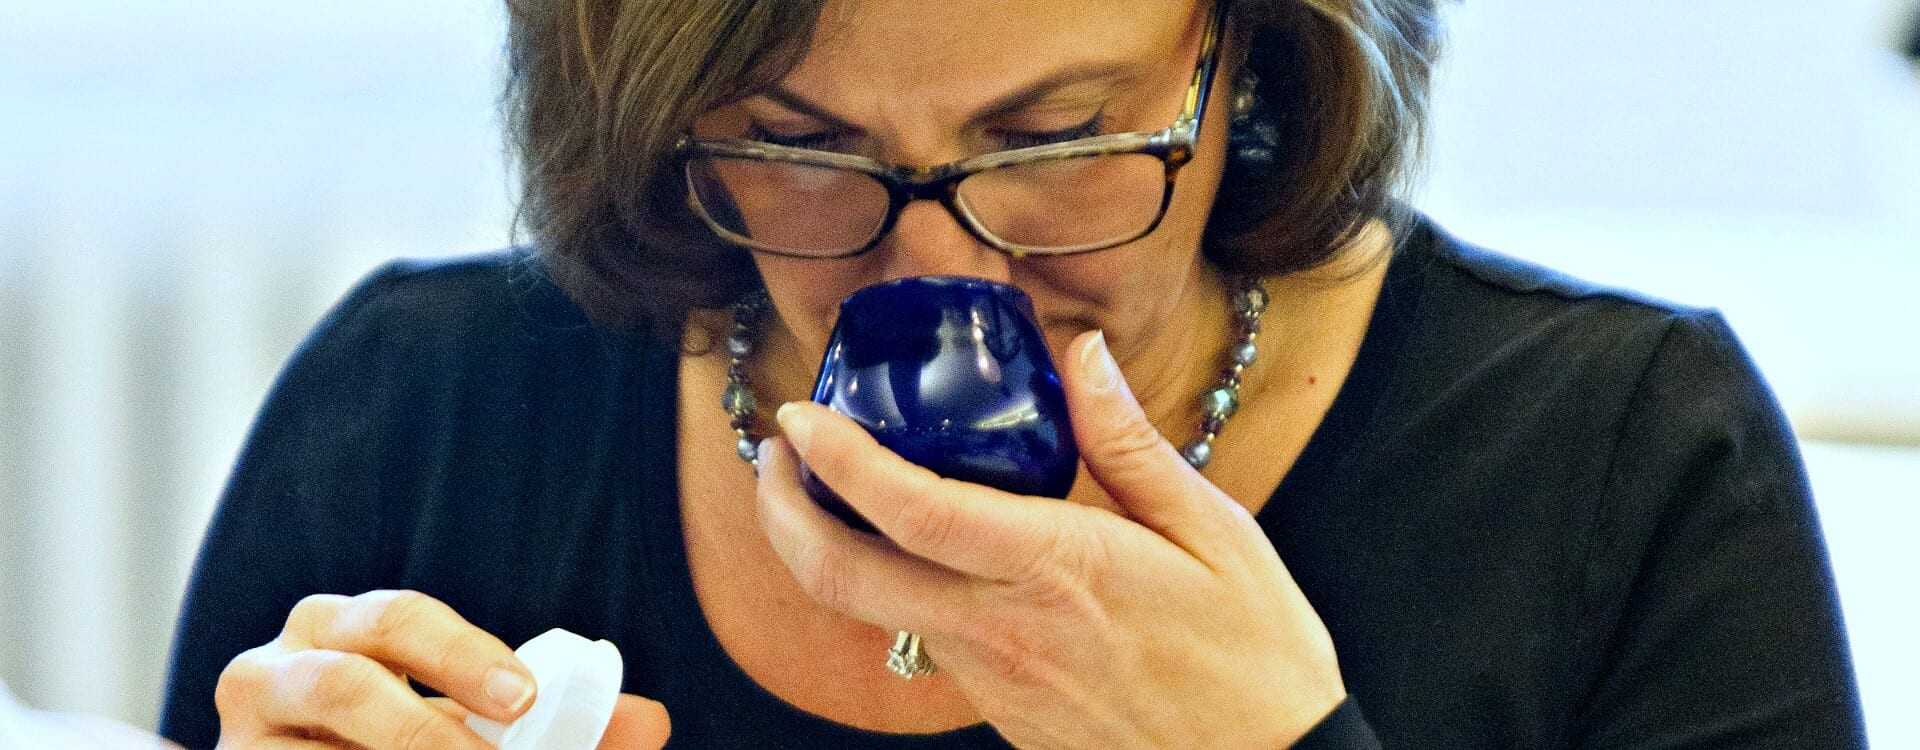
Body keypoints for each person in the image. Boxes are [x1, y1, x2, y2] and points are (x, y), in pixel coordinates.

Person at [158, 0, 1867, 747]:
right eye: (800, 149)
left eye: (1058, 142)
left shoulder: (1624, 465)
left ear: (1246, 57)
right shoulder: (420, 412)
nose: (940, 272)